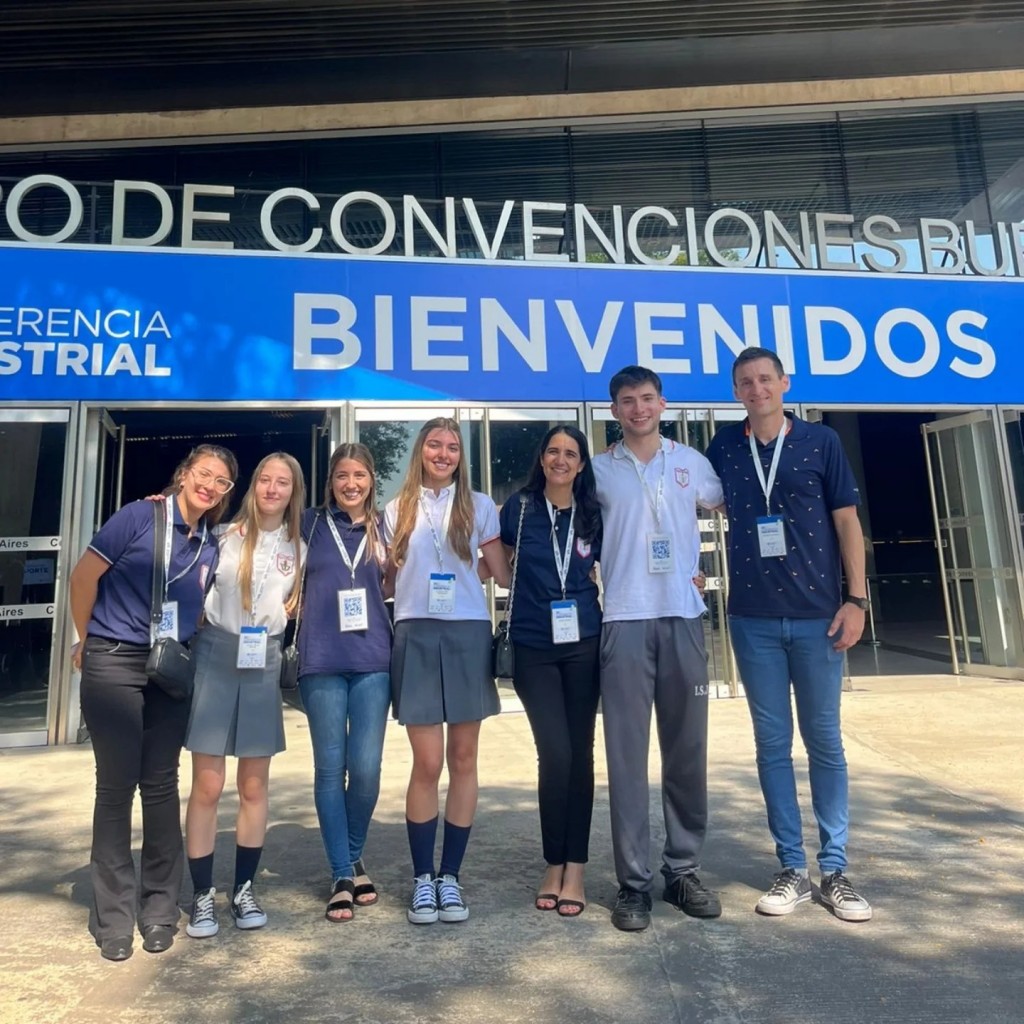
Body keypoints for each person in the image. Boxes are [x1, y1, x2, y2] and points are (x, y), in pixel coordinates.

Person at [706, 346, 872, 922]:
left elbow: (847, 523)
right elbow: (679, 499)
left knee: (824, 741)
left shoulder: (821, 443)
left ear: (784, 382)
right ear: (736, 393)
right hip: (752, 619)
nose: (756, 390)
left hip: (818, 618)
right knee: (772, 746)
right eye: (745, 383)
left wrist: (856, 600)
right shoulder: (724, 447)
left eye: (765, 380)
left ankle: (836, 869)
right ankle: (791, 868)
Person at [69, 444, 238, 961]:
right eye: (203, 475)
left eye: (222, 483)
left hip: (169, 669)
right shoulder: (138, 516)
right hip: (114, 661)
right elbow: (83, 578)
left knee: (162, 787)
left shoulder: (212, 541)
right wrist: (86, 640)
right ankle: (114, 918)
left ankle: (161, 910)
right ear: (184, 475)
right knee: (115, 789)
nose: (209, 486)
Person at [593, 365, 725, 932]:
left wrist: (708, 575)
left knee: (687, 750)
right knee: (626, 759)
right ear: (615, 411)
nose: (639, 409)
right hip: (622, 619)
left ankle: (683, 869)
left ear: (662, 403)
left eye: (647, 399)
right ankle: (633, 883)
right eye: (627, 401)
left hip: (682, 618)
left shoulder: (693, 464)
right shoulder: (596, 471)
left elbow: (731, 512)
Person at [384, 417, 510, 925]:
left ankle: (450, 878)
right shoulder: (396, 508)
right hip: (414, 631)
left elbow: (498, 570)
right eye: (434, 445)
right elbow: (388, 578)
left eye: (452, 447)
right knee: (427, 762)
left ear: (461, 455)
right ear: (421, 451)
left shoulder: (479, 506)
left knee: (463, 757)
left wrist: (462, 576)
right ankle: (421, 879)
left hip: (466, 632)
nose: (443, 453)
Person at [182, 452, 306, 939]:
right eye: (265, 480)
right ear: (252, 486)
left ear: (294, 492)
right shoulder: (220, 537)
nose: (273, 489)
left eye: (283, 483)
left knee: (254, 786)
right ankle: (201, 896)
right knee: (208, 786)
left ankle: (243, 889)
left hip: (263, 660)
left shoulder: (300, 547)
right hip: (217, 653)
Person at [499, 425, 602, 918]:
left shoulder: (593, 512)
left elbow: (619, 565)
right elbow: (500, 566)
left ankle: (574, 866)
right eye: (553, 452)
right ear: (542, 459)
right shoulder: (517, 509)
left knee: (580, 754)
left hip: (584, 644)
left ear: (581, 464)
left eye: (571, 454)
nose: (561, 460)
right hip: (534, 646)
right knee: (554, 753)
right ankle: (552, 860)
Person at [298, 443, 393, 923]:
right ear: (330, 481)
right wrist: (166, 500)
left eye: (359, 475)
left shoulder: (386, 526)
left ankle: (353, 852)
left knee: (368, 768)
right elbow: (253, 528)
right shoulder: (309, 524)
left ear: (372, 479)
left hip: (374, 658)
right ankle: (342, 871)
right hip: (321, 660)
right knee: (329, 769)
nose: (350, 484)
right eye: (341, 476)